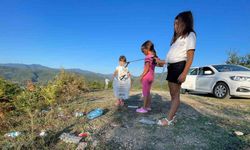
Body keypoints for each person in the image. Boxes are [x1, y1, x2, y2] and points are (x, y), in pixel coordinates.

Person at [156, 11, 196, 126]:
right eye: (174, 24)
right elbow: (172, 57)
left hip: (179, 66)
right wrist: (161, 62)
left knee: (175, 95)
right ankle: (172, 114)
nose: (175, 26)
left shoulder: (190, 35)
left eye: (177, 23)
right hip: (172, 66)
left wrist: (184, 73)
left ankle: (169, 119)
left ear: (185, 23)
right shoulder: (176, 39)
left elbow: (190, 56)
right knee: (172, 94)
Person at [136, 40, 157, 113]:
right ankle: (148, 107)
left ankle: (144, 108)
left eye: (143, 51)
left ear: (147, 48)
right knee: (148, 92)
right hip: (151, 77)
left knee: (145, 93)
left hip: (146, 77)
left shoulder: (147, 57)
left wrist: (141, 76)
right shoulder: (154, 57)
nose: (143, 53)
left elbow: (147, 68)